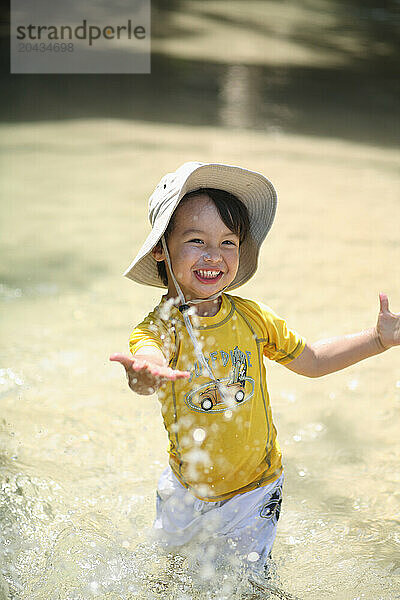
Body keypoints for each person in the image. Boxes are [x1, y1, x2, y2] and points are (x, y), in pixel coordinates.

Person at [110, 161, 399, 580]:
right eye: (196, 240)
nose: (214, 255)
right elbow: (147, 361)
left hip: (255, 487)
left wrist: (377, 339)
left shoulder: (251, 319)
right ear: (161, 248)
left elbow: (313, 361)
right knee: (168, 578)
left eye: (229, 242)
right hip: (185, 488)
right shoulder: (162, 327)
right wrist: (145, 372)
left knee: (249, 582)